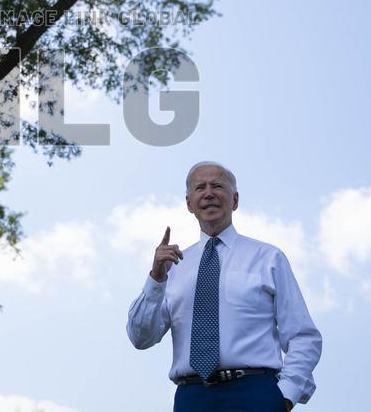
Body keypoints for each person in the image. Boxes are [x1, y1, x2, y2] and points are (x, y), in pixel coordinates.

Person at [126, 161, 321, 411]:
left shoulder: (268, 258)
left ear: (235, 200)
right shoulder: (172, 268)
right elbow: (140, 338)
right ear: (189, 204)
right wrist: (155, 278)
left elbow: (302, 336)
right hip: (192, 396)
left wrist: (284, 396)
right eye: (200, 188)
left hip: (256, 393)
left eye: (218, 185)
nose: (209, 193)